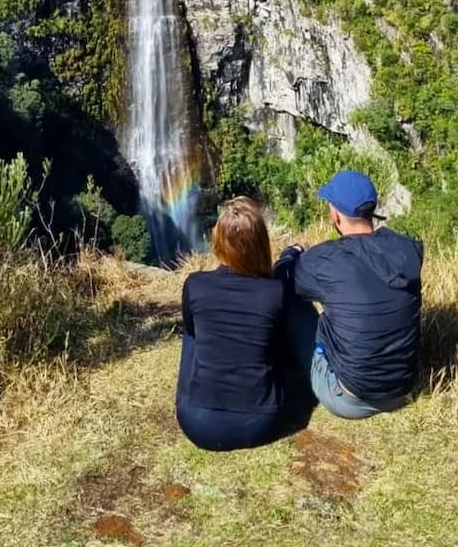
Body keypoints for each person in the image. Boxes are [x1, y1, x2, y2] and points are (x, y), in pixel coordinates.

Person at [277, 169, 423, 420]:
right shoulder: (404, 250)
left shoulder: (326, 260)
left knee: (294, 306)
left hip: (350, 398)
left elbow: (282, 282)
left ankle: (277, 373)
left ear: (335, 213)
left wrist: (290, 255)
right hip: (402, 390)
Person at [176, 196, 311, 451]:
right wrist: (290, 257)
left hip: (196, 423)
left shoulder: (195, 284)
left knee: (192, 334)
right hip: (260, 424)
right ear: (261, 244)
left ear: (217, 242)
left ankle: (200, 391)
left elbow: (193, 333)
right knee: (271, 336)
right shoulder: (274, 293)